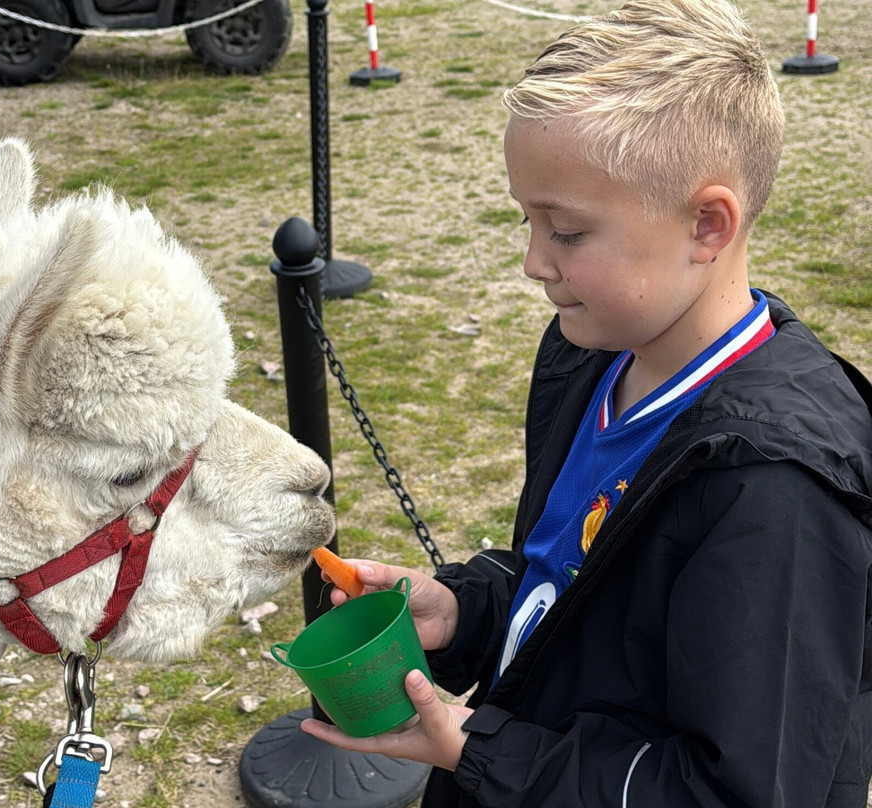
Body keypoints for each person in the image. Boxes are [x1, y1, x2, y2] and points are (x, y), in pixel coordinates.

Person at [299, 0, 872, 805]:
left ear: (707, 224)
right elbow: (574, 596)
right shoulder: (589, 359)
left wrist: (475, 753)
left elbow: (736, 790)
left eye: (565, 231)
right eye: (526, 219)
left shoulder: (774, 489)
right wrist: (464, 612)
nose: (534, 261)